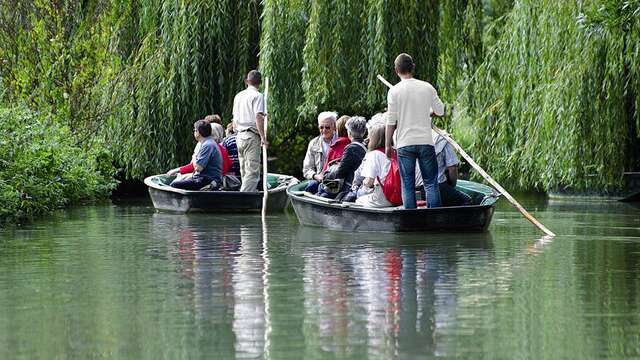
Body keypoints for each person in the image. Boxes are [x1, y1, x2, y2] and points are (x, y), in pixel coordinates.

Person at [385, 53, 444, 209]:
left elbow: (391, 121)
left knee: (408, 185)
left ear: (396, 70)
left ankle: (411, 220)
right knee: (431, 183)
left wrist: (387, 145)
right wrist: (429, 112)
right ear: (413, 67)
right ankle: (434, 219)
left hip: (404, 144)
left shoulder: (394, 91)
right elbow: (441, 111)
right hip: (425, 141)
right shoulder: (427, 87)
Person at [317, 116, 367, 200]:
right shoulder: (366, 146)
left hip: (348, 186)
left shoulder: (351, 148)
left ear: (349, 133)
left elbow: (340, 172)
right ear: (364, 131)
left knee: (321, 189)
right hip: (359, 185)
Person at [233, 70, 266, 192]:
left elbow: (234, 120)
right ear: (260, 83)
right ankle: (244, 198)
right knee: (252, 172)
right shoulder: (258, 96)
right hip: (251, 136)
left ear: (247, 81)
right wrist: (263, 137)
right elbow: (258, 117)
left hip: (239, 136)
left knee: (244, 171)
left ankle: (246, 192)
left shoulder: (238, 96)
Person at [169, 119, 222, 190]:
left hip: (206, 180)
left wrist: (194, 157)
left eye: (195, 130)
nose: (194, 132)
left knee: (174, 185)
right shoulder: (208, 143)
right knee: (181, 180)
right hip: (204, 178)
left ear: (198, 132)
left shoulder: (208, 145)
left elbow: (198, 168)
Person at [355, 123, 394, 208]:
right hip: (399, 197)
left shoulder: (373, 154)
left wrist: (361, 186)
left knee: (359, 196)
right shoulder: (395, 152)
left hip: (384, 198)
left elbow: (369, 182)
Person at [432, 130, 472, 206]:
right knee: (466, 200)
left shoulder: (408, 137)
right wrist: (452, 186)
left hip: (414, 189)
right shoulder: (441, 138)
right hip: (438, 187)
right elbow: (452, 168)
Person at [302, 111, 337, 193]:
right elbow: (306, 169)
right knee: (311, 186)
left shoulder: (341, 141)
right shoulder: (313, 143)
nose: (324, 130)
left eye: (327, 127)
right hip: (319, 179)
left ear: (334, 127)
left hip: (336, 179)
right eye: (321, 127)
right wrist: (315, 176)